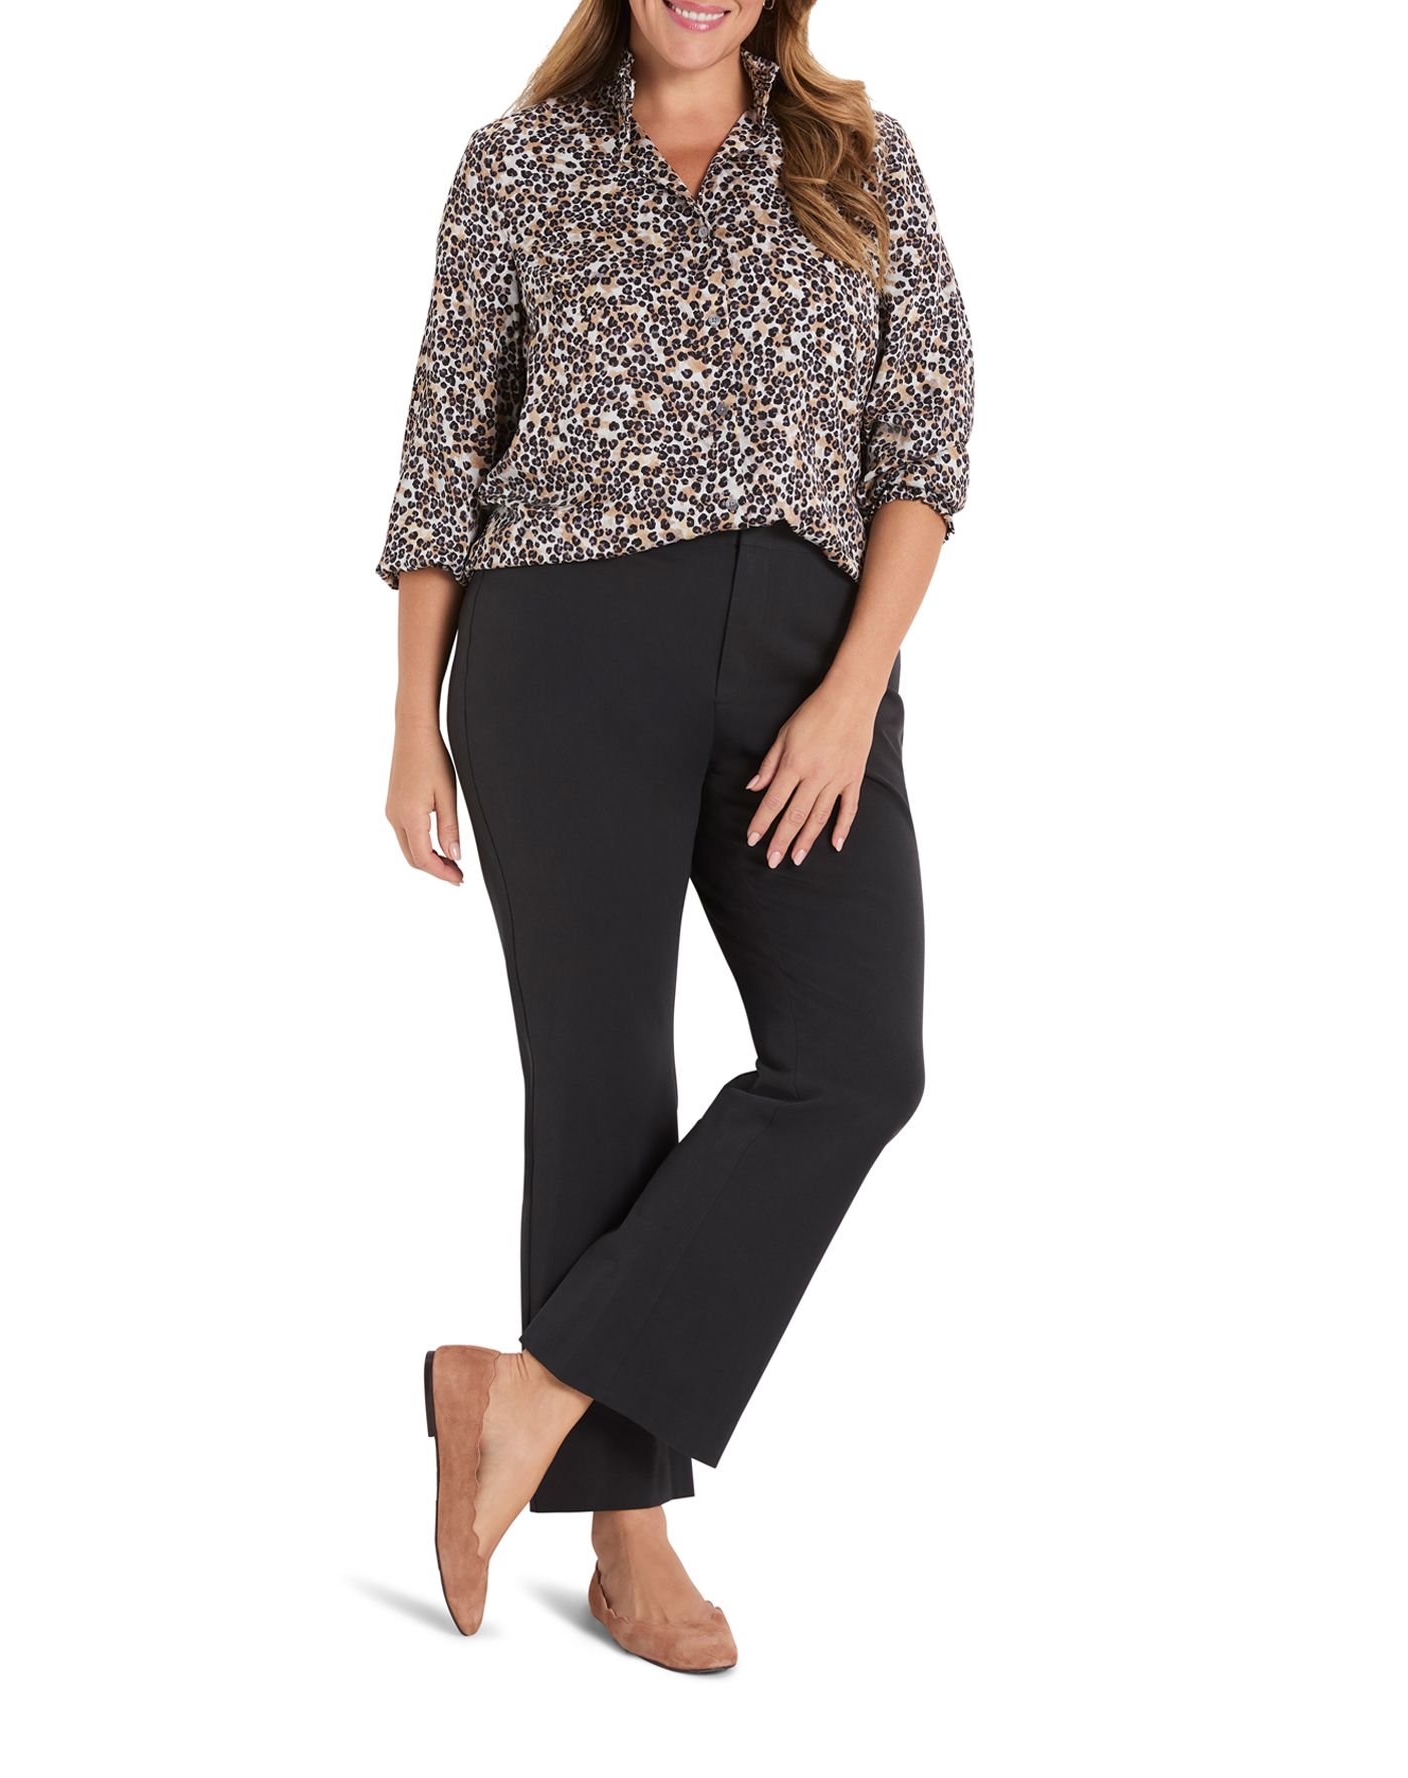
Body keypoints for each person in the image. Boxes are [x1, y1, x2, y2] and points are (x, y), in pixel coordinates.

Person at [378, 0, 973, 1673]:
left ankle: (528, 1394)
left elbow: (926, 445)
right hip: (562, 649)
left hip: (802, 662)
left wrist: (855, 687)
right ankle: (624, 1535)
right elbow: (443, 454)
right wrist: (410, 717)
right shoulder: (517, 168)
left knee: (857, 1061)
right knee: (604, 1077)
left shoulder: (861, 160)